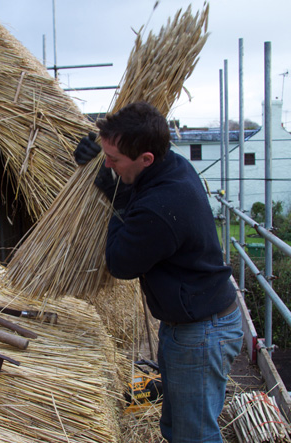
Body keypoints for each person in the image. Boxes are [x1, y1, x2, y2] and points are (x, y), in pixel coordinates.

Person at [74, 101, 243, 443]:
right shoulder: (169, 165)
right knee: (177, 427)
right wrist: (98, 169)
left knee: (194, 435)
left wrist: (116, 204)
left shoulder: (163, 205)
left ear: (146, 158)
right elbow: (133, 193)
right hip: (192, 322)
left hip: (200, 332)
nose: (108, 163)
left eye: (114, 160)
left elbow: (120, 263)